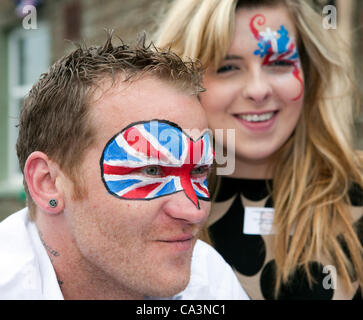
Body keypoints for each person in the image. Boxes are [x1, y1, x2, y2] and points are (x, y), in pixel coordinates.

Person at [0, 33, 249, 300]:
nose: (195, 212)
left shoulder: (207, 279)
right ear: (47, 183)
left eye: (199, 170)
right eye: (152, 171)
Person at [155, 0, 363, 299]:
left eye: (279, 63)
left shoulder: (356, 192)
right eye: (228, 67)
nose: (258, 90)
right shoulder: (147, 204)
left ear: (309, 70)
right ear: (182, 82)